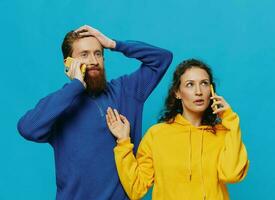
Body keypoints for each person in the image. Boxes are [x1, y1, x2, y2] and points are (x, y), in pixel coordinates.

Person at [17, 25, 173, 200]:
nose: (93, 60)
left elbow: (162, 59)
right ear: (68, 63)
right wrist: (75, 86)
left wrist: (114, 44)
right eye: (84, 54)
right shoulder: (60, 105)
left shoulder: (126, 91)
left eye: (98, 53)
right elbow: (27, 128)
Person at [106, 59, 249, 200]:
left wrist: (231, 120)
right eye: (190, 85)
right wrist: (123, 141)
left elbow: (231, 174)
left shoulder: (223, 133)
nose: (198, 91)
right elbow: (136, 188)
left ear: (211, 90)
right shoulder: (157, 135)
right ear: (177, 93)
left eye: (204, 83)